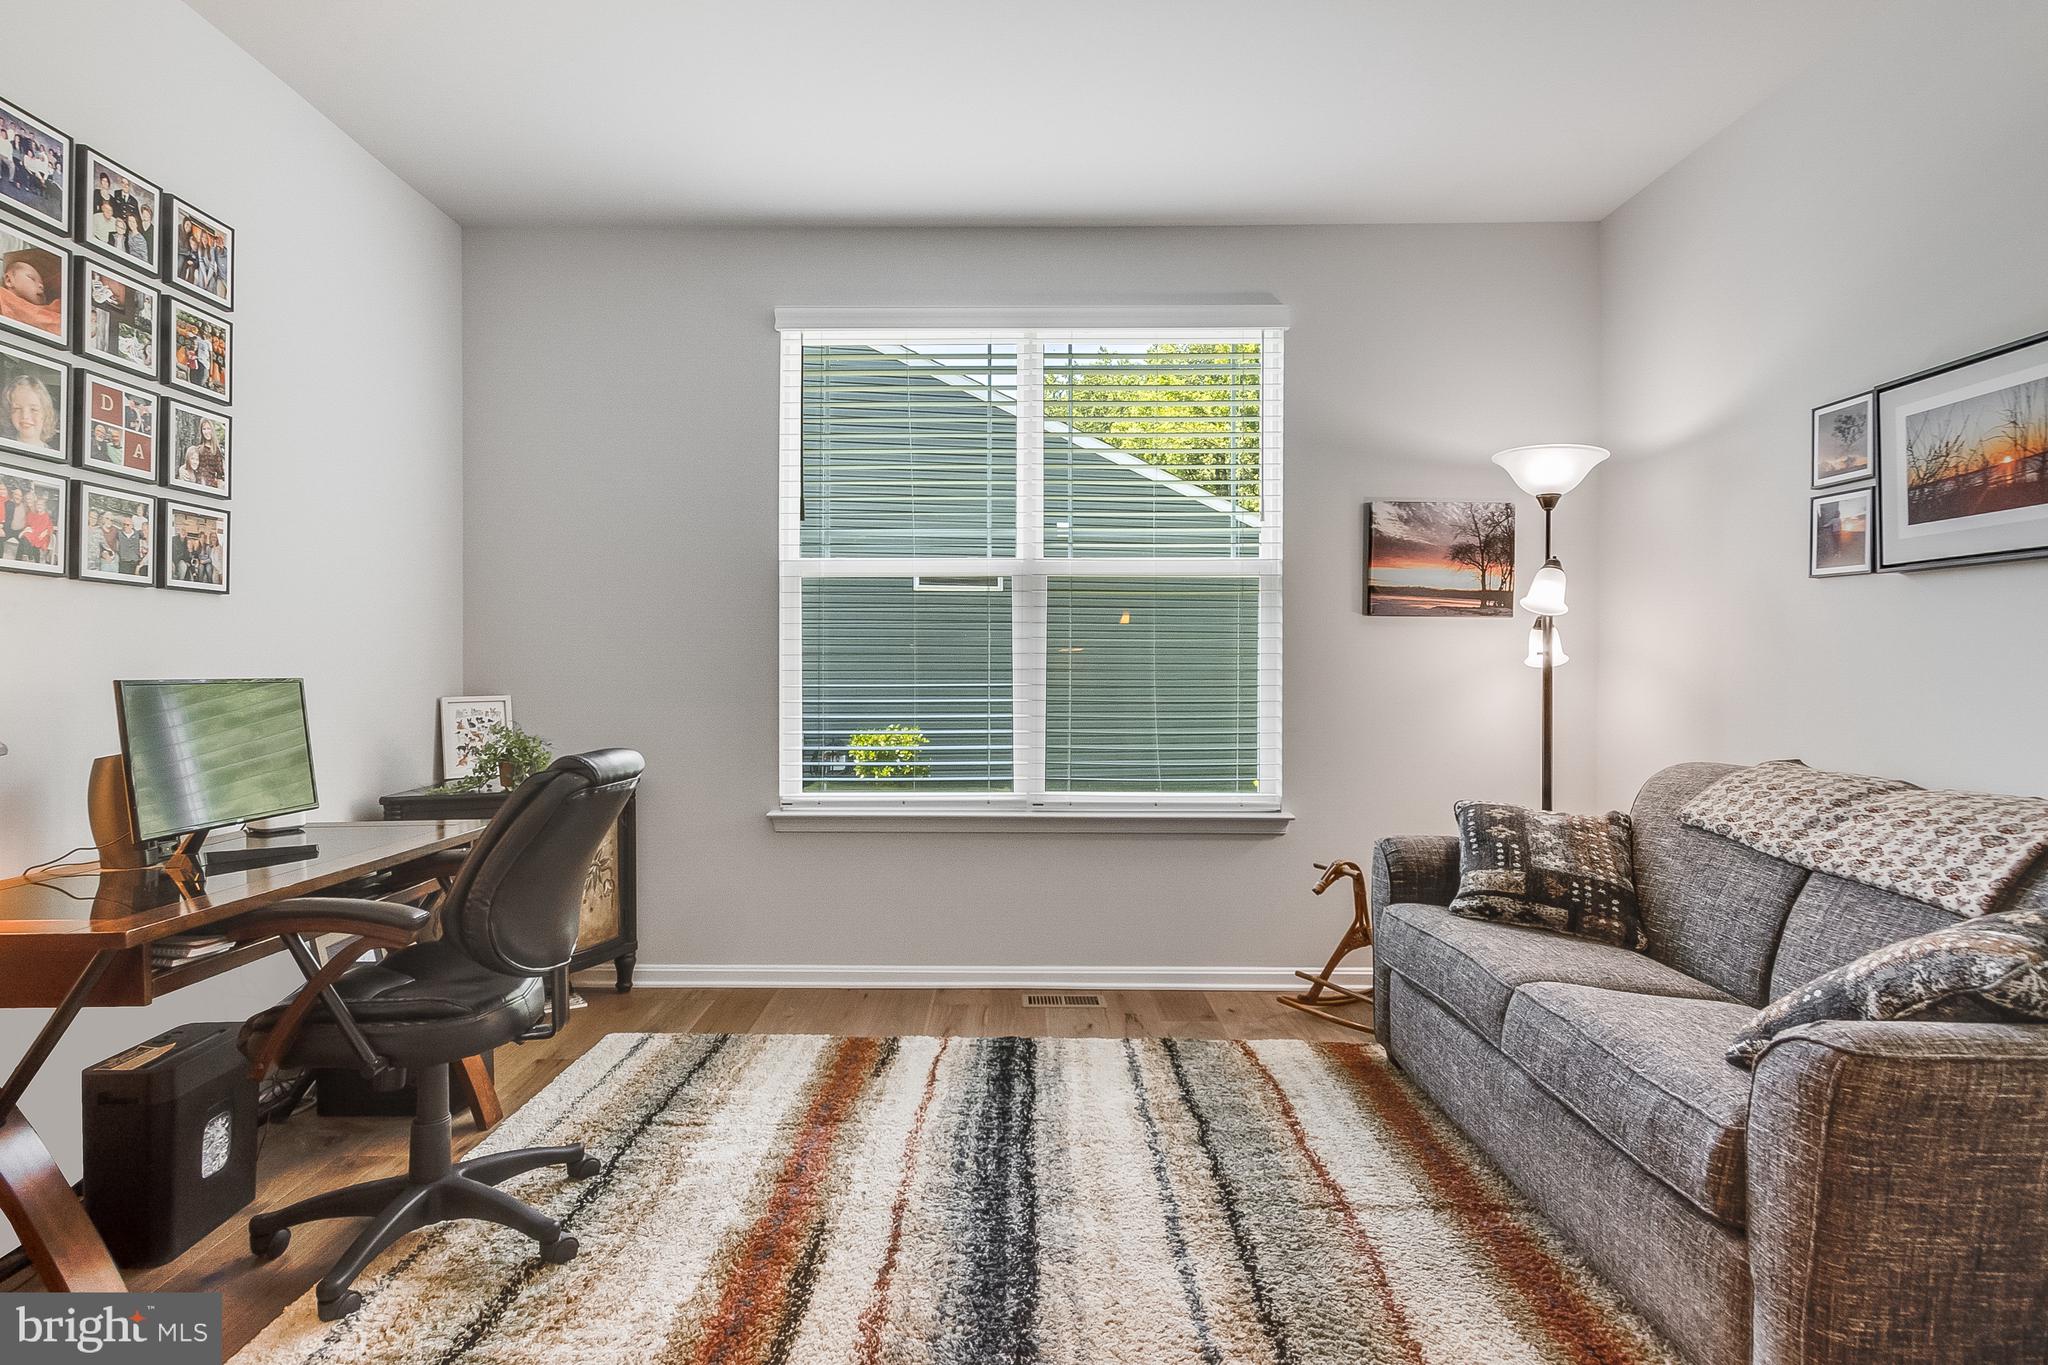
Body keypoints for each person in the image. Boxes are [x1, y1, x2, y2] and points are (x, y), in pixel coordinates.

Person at [0, 253, 59, 337]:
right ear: (9, 280)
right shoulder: (2, 296)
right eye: (31, 278)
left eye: (42, 284)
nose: (41, 286)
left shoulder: (49, 310)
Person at [2, 371, 59, 451]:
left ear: (45, 413)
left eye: (33, 409)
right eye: (17, 408)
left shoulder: (52, 456)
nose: (25, 416)